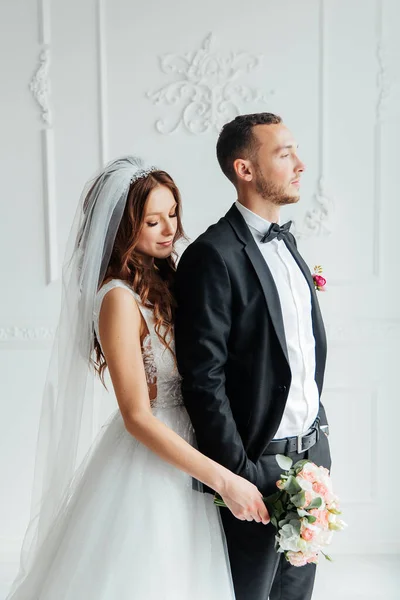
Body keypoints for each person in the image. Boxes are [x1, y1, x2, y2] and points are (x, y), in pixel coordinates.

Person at [7, 156, 269, 600]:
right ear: (122, 229)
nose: (169, 229)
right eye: (152, 221)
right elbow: (136, 416)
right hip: (153, 461)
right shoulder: (117, 299)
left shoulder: (167, 282)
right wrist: (223, 479)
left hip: (195, 442)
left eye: (172, 214)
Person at [174, 113, 332, 600]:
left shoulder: (289, 246)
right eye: (284, 154)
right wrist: (236, 474)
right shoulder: (212, 254)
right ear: (245, 169)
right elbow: (203, 379)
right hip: (254, 465)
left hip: (312, 458)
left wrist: (318, 442)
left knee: (297, 594)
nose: (300, 164)